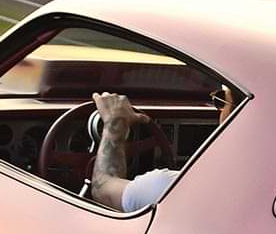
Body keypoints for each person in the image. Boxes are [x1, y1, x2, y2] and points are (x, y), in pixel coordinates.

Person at [88, 84, 237, 213]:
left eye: (221, 99)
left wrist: (115, 123)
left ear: (236, 113)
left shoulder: (166, 189)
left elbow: (102, 190)